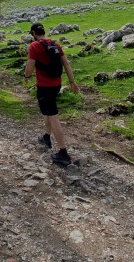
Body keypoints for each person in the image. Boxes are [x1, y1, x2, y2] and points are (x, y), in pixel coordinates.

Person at [24, 22, 80, 166]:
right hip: (56, 85)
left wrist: (26, 77)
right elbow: (66, 64)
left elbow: (30, 66)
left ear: (34, 34)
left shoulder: (34, 46)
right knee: (48, 112)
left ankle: (63, 152)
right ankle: (46, 137)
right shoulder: (55, 44)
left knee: (53, 115)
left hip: (44, 87)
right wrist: (72, 81)